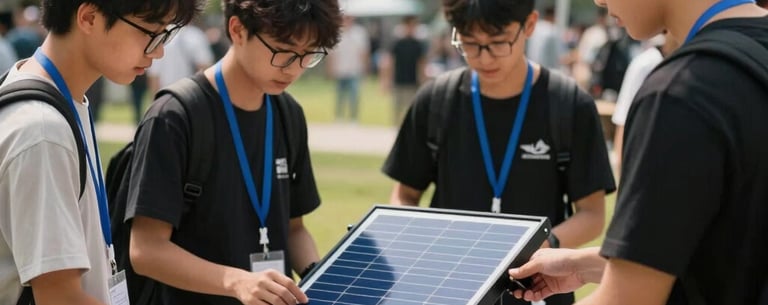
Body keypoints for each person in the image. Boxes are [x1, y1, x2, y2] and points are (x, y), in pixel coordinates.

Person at [508, 0, 768, 304]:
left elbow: (628, 299)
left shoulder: (679, 93)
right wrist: (585, 266)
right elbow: (731, 251)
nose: (599, 1)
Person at [382, 0, 616, 304]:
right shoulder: (436, 101)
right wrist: (427, 246)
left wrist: (543, 246)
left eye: (497, 43)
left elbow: (592, 214)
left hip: (539, 291)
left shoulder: (569, 104)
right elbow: (404, 195)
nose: (484, 57)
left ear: (529, 25)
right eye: (469, 44)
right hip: (449, 289)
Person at [125, 0, 342, 304]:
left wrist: (316, 273)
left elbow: (294, 229)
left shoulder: (288, 114)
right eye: (283, 51)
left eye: (308, 55)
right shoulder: (175, 117)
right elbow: (145, 250)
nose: (294, 69)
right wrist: (237, 281)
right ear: (238, 30)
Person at [0, 0, 202, 304]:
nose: (158, 51)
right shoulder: (43, 131)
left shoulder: (58, 97)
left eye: (165, 35)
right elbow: (60, 298)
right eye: (151, 33)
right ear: (90, 17)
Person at [611, 34, 678, 176]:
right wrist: (622, 171)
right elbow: (624, 119)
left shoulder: (693, 61)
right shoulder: (646, 64)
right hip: (644, 159)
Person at [380, 15, 426, 125]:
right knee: (397, 111)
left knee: (412, 110)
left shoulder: (418, 44)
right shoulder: (397, 43)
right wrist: (386, 80)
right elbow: (390, 62)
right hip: (399, 81)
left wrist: (423, 81)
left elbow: (421, 64)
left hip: (413, 82)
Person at [326, 15, 369, 123]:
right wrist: (330, 69)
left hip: (354, 70)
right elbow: (332, 54)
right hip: (340, 70)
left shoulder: (359, 33)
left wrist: (365, 69)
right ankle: (339, 117)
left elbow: (364, 53)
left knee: (354, 95)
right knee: (340, 96)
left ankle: (353, 118)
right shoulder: (336, 33)